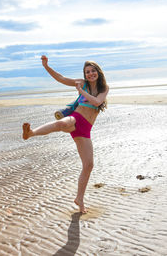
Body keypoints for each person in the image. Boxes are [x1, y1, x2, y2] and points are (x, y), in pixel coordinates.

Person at [22, 55, 109, 214]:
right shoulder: (82, 84)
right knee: (62, 123)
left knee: (88, 165)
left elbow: (97, 102)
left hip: (85, 130)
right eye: (87, 72)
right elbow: (61, 78)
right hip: (76, 118)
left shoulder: (103, 89)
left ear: (98, 72)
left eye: (92, 71)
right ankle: (31, 133)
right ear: (84, 75)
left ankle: (79, 199)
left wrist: (81, 91)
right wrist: (46, 66)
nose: (90, 74)